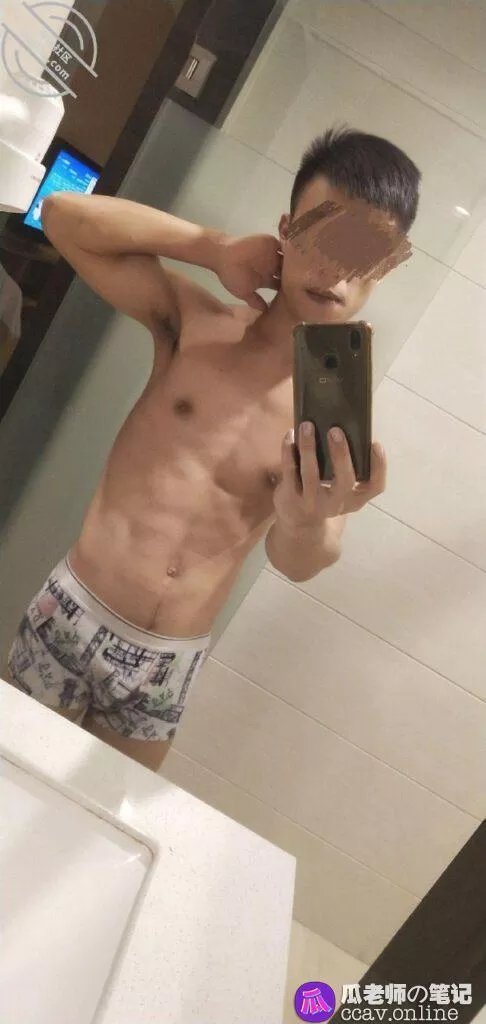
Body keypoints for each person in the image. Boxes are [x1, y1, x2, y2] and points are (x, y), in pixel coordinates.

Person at [6, 127, 421, 771]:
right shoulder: (197, 323)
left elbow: (301, 562)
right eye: (324, 235)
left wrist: (304, 521)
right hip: (74, 610)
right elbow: (63, 216)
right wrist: (213, 246)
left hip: (166, 663)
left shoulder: (334, 412)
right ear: (285, 231)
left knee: (94, 823)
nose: (338, 269)